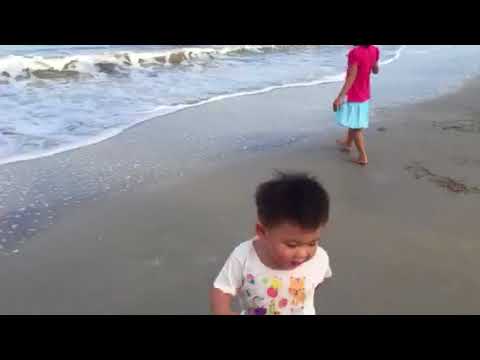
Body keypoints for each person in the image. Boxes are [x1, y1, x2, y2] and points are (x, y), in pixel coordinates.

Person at [210, 171, 332, 315]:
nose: (303, 253)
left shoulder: (320, 258)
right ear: (262, 232)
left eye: (312, 243)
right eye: (292, 245)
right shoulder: (244, 257)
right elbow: (222, 288)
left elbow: (317, 282)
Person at [334, 45, 380, 166]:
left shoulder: (355, 53)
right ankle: (348, 144)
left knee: (356, 128)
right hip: (365, 92)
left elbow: (351, 77)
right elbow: (376, 70)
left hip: (356, 94)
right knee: (354, 121)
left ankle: (362, 156)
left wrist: (340, 96)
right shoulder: (375, 49)